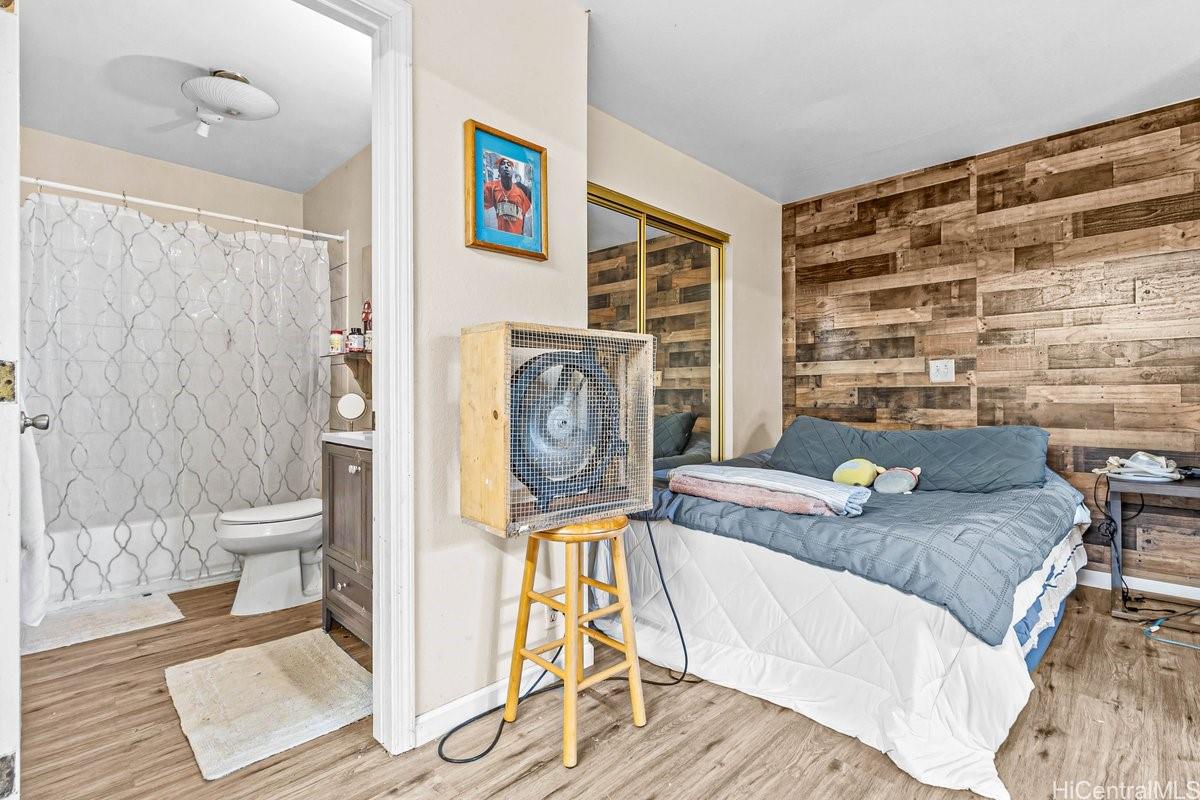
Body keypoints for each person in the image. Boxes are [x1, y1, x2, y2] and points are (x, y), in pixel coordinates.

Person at [482, 157, 532, 235]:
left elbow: (529, 211)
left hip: (517, 236)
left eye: (509, 165)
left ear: (513, 171)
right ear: (498, 170)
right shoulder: (492, 187)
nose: (506, 166)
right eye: (503, 164)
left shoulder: (519, 191)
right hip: (502, 234)